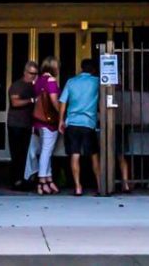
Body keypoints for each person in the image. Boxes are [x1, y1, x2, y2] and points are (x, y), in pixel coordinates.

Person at [58, 57, 102, 196]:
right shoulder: (97, 82)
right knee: (94, 155)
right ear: (94, 69)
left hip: (73, 123)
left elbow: (63, 102)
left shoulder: (71, 82)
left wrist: (61, 120)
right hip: (89, 124)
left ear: (81, 68)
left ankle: (78, 187)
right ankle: (100, 185)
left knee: (75, 155)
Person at [6, 61, 39, 190]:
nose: (33, 76)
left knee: (26, 154)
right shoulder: (17, 86)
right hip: (16, 125)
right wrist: (31, 100)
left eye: (36, 74)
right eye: (31, 73)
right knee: (17, 154)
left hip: (27, 125)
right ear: (25, 72)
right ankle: (16, 181)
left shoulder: (33, 87)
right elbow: (15, 103)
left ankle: (24, 180)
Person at [32, 56, 62, 195]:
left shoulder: (38, 81)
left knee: (46, 151)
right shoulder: (51, 81)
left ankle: (49, 180)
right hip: (49, 121)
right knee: (46, 152)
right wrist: (62, 115)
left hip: (38, 121)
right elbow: (54, 102)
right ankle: (42, 182)